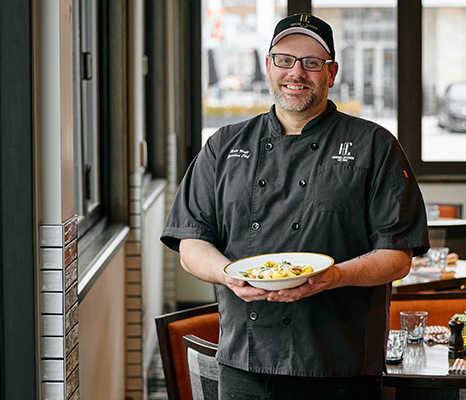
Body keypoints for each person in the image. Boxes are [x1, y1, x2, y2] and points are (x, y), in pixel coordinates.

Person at [161, 13, 429, 400]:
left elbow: (397, 257)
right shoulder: (224, 145)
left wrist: (332, 276)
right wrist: (229, 274)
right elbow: (191, 244)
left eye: (312, 63)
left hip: (340, 363)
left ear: (331, 72)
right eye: (284, 60)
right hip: (245, 362)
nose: (296, 73)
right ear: (268, 66)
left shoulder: (374, 145)